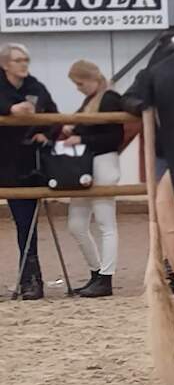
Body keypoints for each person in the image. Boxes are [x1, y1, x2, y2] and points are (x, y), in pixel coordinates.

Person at [0, 43, 59, 300]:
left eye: (26, 59)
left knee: (26, 224)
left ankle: (31, 280)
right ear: (5, 64)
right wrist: (9, 110)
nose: (24, 64)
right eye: (18, 60)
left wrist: (42, 132)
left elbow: (54, 116)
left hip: (25, 166)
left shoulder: (36, 87)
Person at [63, 60, 123, 298]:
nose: (78, 88)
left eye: (79, 83)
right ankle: (96, 272)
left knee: (105, 223)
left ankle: (105, 278)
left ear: (91, 79)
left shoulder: (109, 99)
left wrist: (81, 138)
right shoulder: (91, 101)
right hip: (88, 163)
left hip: (104, 162)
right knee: (77, 225)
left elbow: (113, 137)